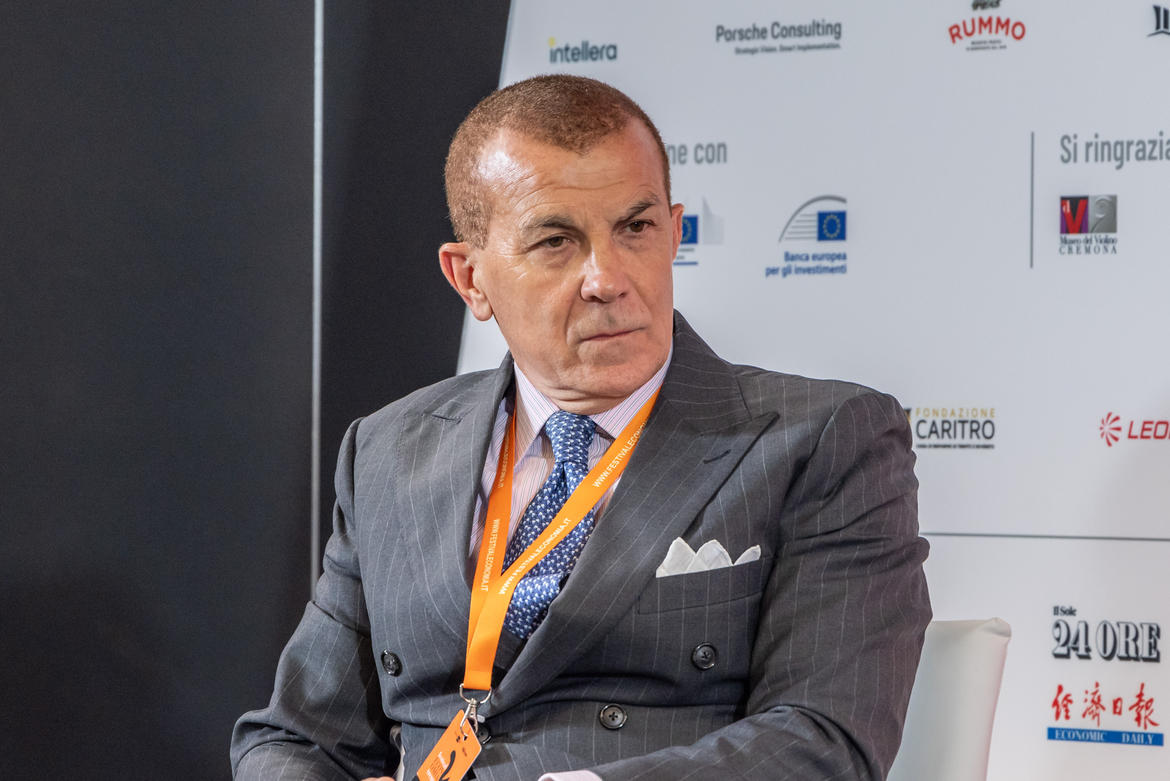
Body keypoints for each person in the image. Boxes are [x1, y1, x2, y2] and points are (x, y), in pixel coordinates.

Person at [232, 74, 930, 781]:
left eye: (636, 228)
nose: (607, 278)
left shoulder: (821, 439)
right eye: (556, 241)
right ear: (470, 279)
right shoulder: (388, 451)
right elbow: (296, 738)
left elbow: (822, 738)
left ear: (675, 231)